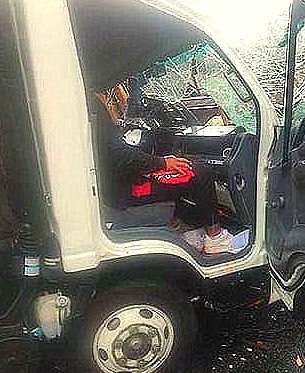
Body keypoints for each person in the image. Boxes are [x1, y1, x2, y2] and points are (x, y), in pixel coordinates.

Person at [94, 94, 233, 254]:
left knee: (183, 167)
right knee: (201, 172)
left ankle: (181, 227)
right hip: (125, 190)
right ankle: (216, 240)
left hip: (116, 184)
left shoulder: (86, 100)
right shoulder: (93, 102)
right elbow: (120, 156)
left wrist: (158, 162)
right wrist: (163, 163)